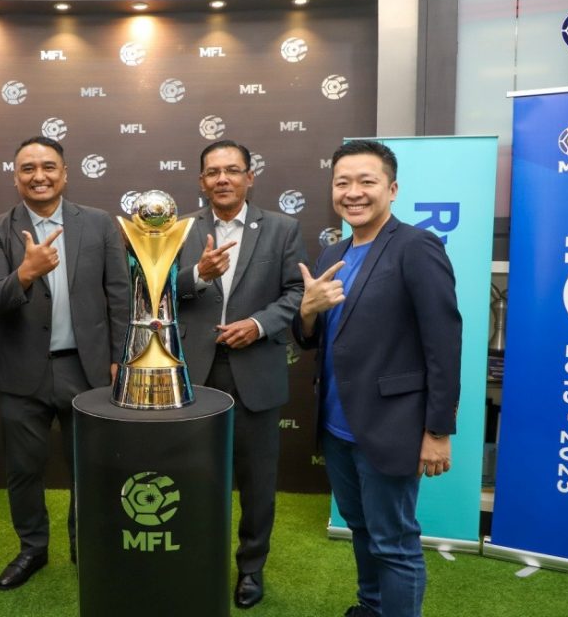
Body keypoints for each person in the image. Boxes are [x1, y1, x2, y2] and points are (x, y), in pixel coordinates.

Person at [295, 140, 462, 617]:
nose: (353, 192)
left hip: (391, 425)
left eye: (366, 181)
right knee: (361, 528)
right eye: (342, 182)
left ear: (392, 188)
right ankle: (371, 607)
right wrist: (307, 311)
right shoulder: (334, 251)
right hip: (337, 426)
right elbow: (312, 337)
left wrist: (437, 431)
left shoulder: (416, 246)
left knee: (394, 542)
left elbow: (444, 344)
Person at [0, 136, 130, 590]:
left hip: (88, 370)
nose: (38, 176)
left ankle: (88, 548)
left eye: (48, 167)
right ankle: (32, 549)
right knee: (24, 469)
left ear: (64, 173)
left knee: (90, 469)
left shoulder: (99, 224)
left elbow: (120, 296)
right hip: (23, 372)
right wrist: (26, 272)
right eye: (28, 168)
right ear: (15, 177)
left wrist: (120, 357)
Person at [176, 139, 307, 609]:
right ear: (201, 181)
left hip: (256, 373)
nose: (223, 179)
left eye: (232, 170)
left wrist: (257, 324)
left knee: (256, 482)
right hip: (194, 374)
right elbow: (158, 289)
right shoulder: (181, 229)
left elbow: (297, 292)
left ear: (250, 177)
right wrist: (197, 274)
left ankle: (251, 568)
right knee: (192, 476)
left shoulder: (282, 228)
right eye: (213, 172)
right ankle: (196, 559)